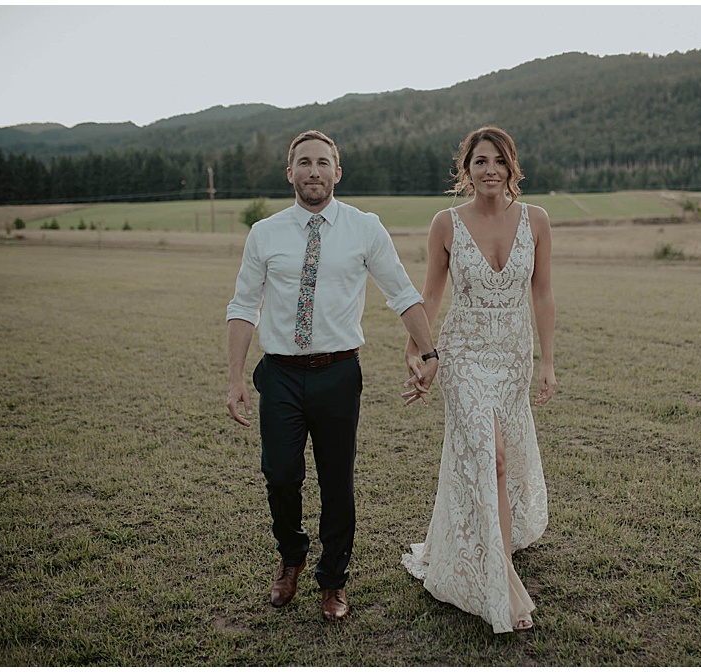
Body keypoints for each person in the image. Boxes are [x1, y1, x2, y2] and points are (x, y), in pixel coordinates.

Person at [225, 129, 439, 623]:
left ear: (337, 172)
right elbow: (243, 305)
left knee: (337, 483)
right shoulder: (264, 233)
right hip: (279, 374)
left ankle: (333, 579)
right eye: (304, 162)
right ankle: (291, 556)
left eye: (323, 162)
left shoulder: (365, 228)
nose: (314, 171)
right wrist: (235, 378)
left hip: (339, 374)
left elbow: (402, 292)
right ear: (290, 173)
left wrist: (430, 352)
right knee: (280, 475)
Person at [399, 125, 556, 633]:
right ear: (465, 170)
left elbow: (543, 294)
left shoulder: (537, 220)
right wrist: (418, 349)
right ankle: (501, 580)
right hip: (464, 353)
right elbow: (431, 294)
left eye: (499, 161)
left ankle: (491, 546)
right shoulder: (445, 224)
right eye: (480, 161)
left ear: (512, 167)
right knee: (494, 457)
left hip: (513, 355)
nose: (491, 170)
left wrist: (548, 361)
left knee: (501, 458)